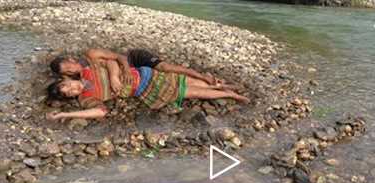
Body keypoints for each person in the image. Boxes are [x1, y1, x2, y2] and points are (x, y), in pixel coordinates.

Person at [45, 62, 249, 121]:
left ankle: (223, 87)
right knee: (192, 91)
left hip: (145, 73)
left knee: (191, 81)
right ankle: (229, 94)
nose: (74, 89)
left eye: (69, 85)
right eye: (69, 93)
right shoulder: (87, 99)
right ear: (70, 97)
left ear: (68, 80)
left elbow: (111, 63)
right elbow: (100, 112)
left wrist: (115, 77)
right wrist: (65, 113)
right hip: (146, 89)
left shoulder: (87, 73)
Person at [49, 48, 222, 95]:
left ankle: (201, 76)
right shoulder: (77, 78)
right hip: (135, 75)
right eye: (68, 72)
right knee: (173, 80)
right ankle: (214, 86)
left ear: (71, 59)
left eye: (69, 65)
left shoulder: (91, 55)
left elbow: (119, 57)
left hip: (133, 60)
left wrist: (124, 72)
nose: (72, 70)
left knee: (165, 68)